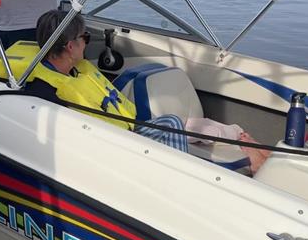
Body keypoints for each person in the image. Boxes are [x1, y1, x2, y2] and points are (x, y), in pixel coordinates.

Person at [23, 10, 190, 153]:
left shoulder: (75, 70)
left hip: (121, 132)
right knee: (172, 125)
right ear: (71, 47)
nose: (86, 43)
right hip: (106, 146)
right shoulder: (45, 92)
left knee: (171, 123)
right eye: (85, 38)